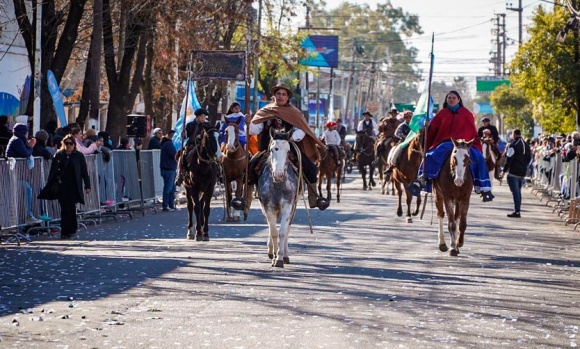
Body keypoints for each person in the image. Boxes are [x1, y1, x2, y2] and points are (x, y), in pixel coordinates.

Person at [247, 83, 329, 210]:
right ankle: (244, 200)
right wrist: (249, 124)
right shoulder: (265, 111)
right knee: (250, 166)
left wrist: (291, 137)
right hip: (269, 149)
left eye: (284, 94)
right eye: (278, 94)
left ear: (287, 97)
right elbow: (254, 130)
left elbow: (301, 130)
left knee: (311, 168)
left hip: (289, 147)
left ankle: (314, 198)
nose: (281, 96)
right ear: (274, 96)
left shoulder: (294, 113)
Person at [421, 90, 494, 202]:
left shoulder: (466, 113)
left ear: (459, 99)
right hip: (446, 142)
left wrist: (473, 143)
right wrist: (428, 126)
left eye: (454, 97)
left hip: (465, 144)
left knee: (479, 158)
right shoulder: (442, 113)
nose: (451, 99)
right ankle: (423, 179)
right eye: (449, 97)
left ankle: (484, 188)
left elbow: (472, 131)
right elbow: (433, 130)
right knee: (430, 155)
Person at [44, 134, 91, 239]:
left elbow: (84, 171)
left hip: (74, 186)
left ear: (74, 144)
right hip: (62, 186)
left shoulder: (78, 156)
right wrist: (50, 184)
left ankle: (72, 229)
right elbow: (53, 171)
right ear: (63, 144)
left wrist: (87, 185)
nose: (69, 145)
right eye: (67, 143)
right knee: (64, 208)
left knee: (71, 207)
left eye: (71, 143)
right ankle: (64, 231)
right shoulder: (59, 155)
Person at [6, 123, 41, 224]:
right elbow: (25, 153)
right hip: (14, 174)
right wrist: (31, 147)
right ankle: (27, 215)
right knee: (26, 189)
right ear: (24, 132)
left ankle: (26, 216)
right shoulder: (17, 140)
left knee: (27, 189)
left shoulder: (17, 139)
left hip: (17, 173)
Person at [175, 108, 211, 186]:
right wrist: (184, 134)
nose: (203, 118)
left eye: (204, 116)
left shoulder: (207, 125)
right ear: (197, 117)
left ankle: (219, 174)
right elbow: (185, 136)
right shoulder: (190, 125)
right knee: (182, 157)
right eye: (201, 116)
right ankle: (180, 175)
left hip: (205, 146)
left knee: (214, 157)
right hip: (192, 146)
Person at [501, 129, 532, 218]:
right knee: (518, 192)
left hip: (514, 172)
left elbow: (509, 159)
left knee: (515, 192)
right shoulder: (526, 145)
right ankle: (517, 209)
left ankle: (517, 211)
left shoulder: (513, 144)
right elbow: (529, 158)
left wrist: (504, 171)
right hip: (522, 171)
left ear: (514, 134)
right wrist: (524, 166)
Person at [159, 131, 178, 211]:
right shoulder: (168, 144)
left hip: (169, 168)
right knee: (168, 188)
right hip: (168, 168)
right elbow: (174, 154)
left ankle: (171, 205)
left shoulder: (166, 143)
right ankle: (166, 205)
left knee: (172, 188)